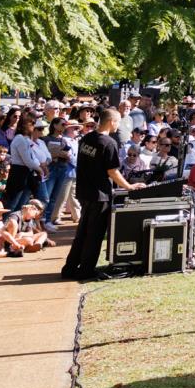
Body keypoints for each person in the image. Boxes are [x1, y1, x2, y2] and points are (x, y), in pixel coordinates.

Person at [60, 107, 134, 281]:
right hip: (99, 195)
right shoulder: (108, 143)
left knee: (82, 232)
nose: (118, 125)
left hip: (84, 192)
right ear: (112, 122)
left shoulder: (87, 138)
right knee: (94, 235)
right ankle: (86, 270)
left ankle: (70, 268)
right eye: (117, 122)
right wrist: (128, 186)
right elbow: (113, 171)